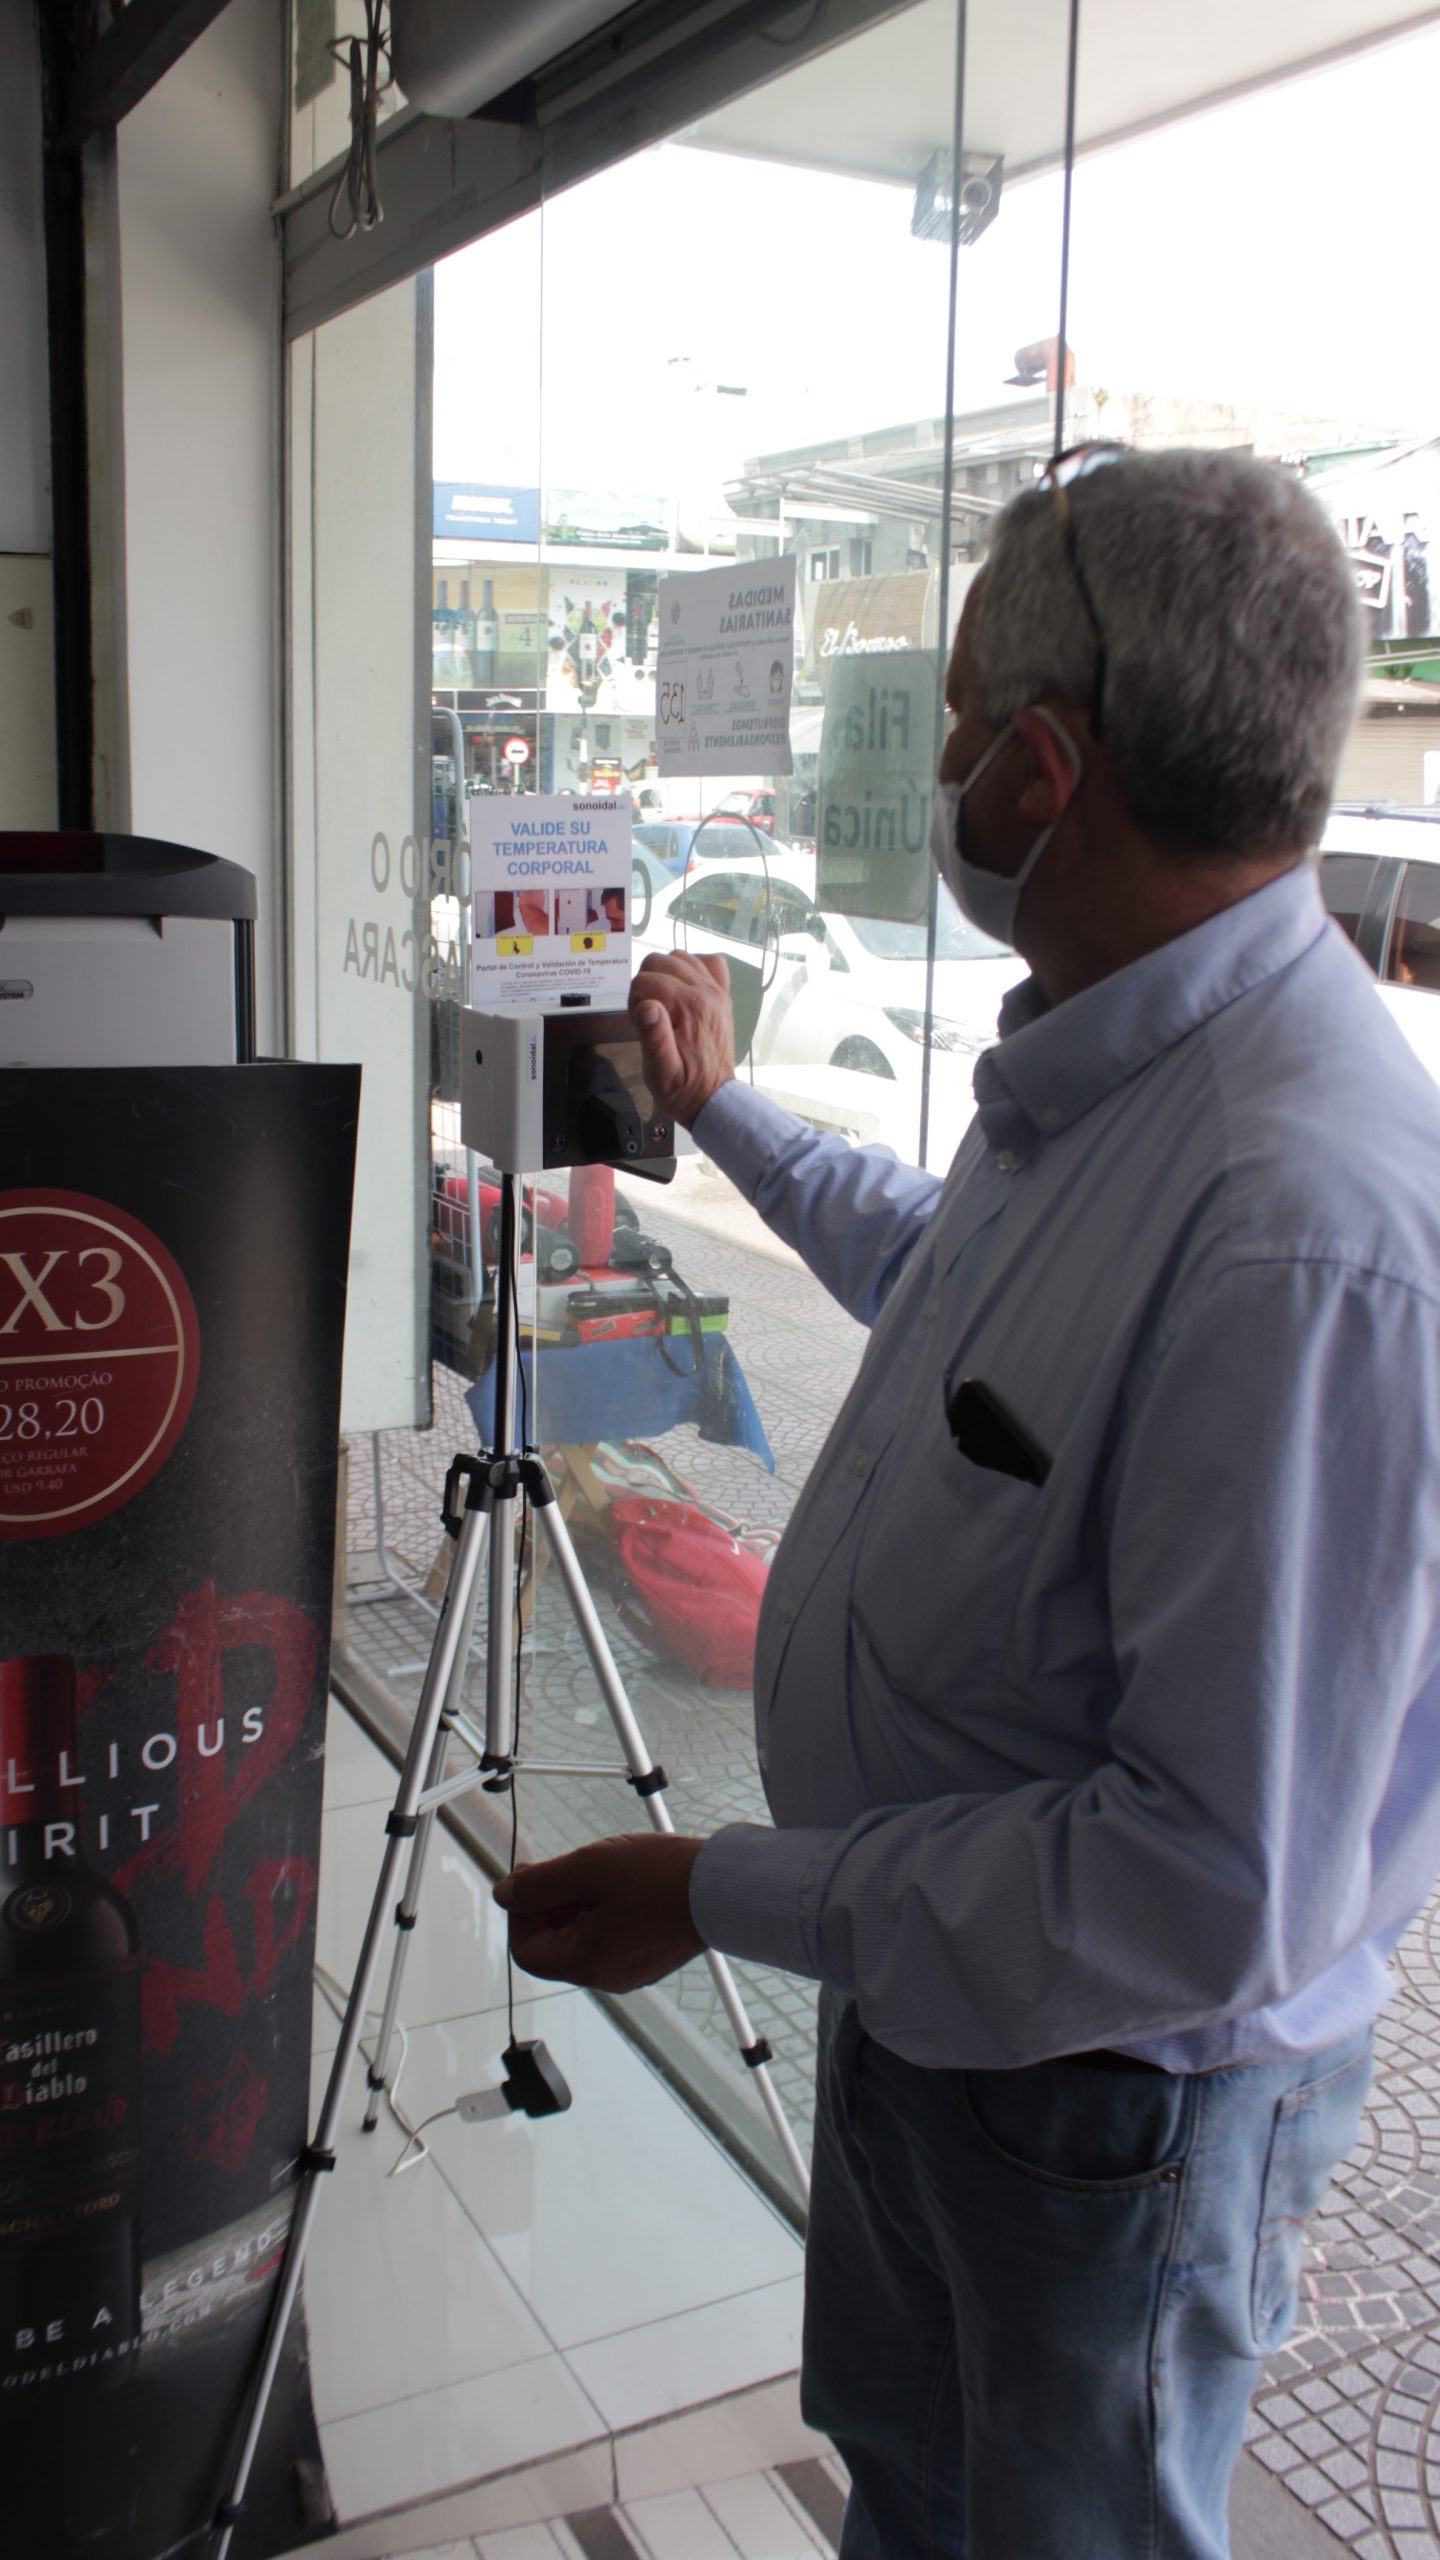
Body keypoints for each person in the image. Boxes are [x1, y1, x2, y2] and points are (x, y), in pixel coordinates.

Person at [496, 448, 1440, 2558]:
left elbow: (1202, 1881)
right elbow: (967, 1303)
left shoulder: (1301, 1220)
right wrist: (732, 1115)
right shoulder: (1123, 1066)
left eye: (946, 726)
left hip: (1112, 2118)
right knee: (917, 2507)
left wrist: (727, 1890)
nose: (934, 777)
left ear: (1038, 770)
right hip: (947, 2010)